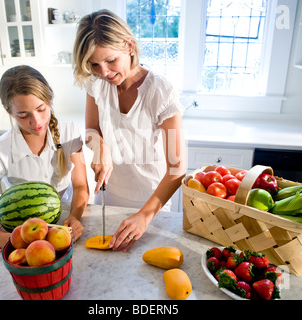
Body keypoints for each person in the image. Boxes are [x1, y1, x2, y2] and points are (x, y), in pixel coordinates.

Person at [72, 9, 186, 252]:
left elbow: (177, 169)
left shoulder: (161, 91)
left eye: (110, 60)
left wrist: (145, 216)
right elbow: (92, 129)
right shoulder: (97, 84)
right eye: (94, 64)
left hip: (152, 202)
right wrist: (99, 147)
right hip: (110, 197)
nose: (103, 72)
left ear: (129, 47)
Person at [0, 65, 89, 249]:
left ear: (49, 100)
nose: (36, 122)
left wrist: (75, 216)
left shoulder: (69, 132)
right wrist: (8, 240)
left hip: (63, 221)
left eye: (41, 109)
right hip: (23, 230)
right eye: (23, 115)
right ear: (9, 111)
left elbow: (80, 186)